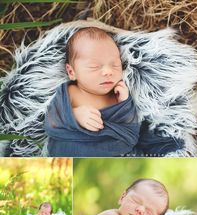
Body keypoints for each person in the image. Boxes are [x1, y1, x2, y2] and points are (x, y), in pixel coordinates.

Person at [45, 28, 185, 157]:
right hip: (72, 149)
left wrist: (125, 104)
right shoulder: (70, 92)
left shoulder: (116, 95)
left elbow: (131, 131)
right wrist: (75, 115)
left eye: (115, 65)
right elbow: (52, 122)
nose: (108, 72)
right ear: (71, 72)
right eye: (94, 67)